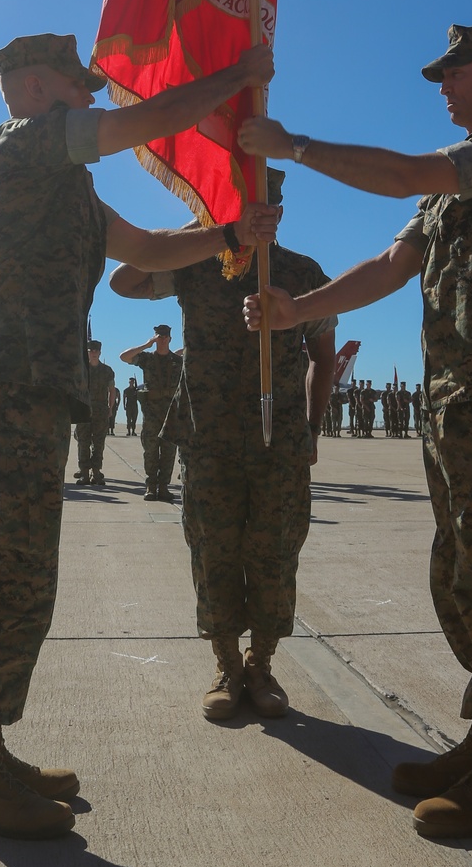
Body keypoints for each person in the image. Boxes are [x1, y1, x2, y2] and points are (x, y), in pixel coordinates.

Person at [0, 30, 275, 841]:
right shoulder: (23, 144)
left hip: (32, 397)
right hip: (1, 387)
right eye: (77, 85)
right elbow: (139, 124)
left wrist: (231, 237)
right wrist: (233, 77)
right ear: (31, 86)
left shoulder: (75, 190)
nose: (91, 98)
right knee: (11, 581)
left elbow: (150, 251)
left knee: (7, 577)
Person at [239, 23, 472, 840]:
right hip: (455, 403)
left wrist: (296, 146)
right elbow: (390, 265)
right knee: (458, 580)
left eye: (452, 74)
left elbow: (403, 173)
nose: (442, 89)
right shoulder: (446, 189)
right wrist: (297, 312)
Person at [111, 169, 336, 722]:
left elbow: (323, 355)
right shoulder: (196, 263)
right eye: (240, 204)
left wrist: (311, 428)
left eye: (263, 205)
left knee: (275, 551)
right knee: (213, 551)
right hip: (208, 437)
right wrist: (210, 225)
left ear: (279, 211)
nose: (258, 213)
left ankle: (262, 664)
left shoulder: (302, 273)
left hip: (277, 438)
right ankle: (226, 665)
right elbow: (126, 280)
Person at [120, 327, 183, 501]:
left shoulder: (177, 361)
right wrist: (147, 344)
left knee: (169, 451)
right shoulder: (147, 359)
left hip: (171, 412)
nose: (162, 340)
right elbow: (124, 357)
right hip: (151, 413)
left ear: (170, 339)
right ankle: (150, 486)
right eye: (159, 337)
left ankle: (163, 487)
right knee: (150, 450)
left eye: (165, 337)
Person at [74, 342, 116, 486]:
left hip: (100, 410)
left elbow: (112, 390)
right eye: (91, 350)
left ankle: (96, 472)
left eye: (96, 350)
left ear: (100, 352)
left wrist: (111, 408)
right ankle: (84, 473)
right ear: (87, 352)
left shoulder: (107, 370)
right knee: (83, 442)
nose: (93, 353)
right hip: (84, 409)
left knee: (99, 442)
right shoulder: (81, 370)